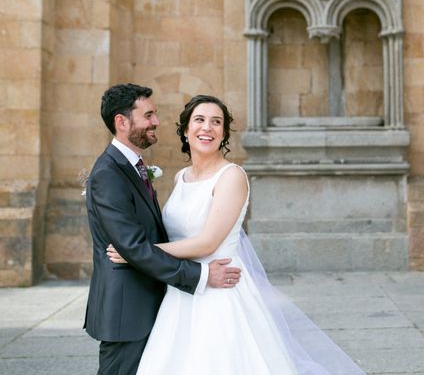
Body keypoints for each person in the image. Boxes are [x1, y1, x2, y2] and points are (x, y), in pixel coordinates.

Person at [108, 94, 365, 374]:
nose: (207, 127)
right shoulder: (181, 177)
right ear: (185, 130)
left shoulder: (232, 176)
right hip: (183, 290)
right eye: (200, 120)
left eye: (216, 122)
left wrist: (136, 252)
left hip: (221, 292)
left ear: (224, 133)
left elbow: (208, 243)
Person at [84, 84, 241, 375]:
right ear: (122, 122)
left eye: (216, 122)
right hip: (127, 310)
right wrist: (202, 275)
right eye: (149, 115)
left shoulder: (134, 167)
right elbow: (133, 246)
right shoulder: (108, 174)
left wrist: (135, 252)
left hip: (168, 299)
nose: (156, 121)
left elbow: (143, 246)